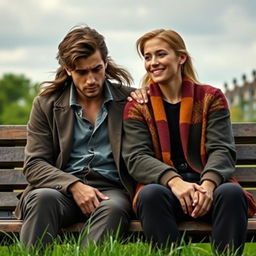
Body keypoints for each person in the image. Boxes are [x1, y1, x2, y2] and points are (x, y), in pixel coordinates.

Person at [122, 29, 256, 255]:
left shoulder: (210, 97)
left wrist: (208, 185)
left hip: (207, 189)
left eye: (161, 54)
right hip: (165, 191)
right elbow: (137, 158)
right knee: (149, 195)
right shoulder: (138, 106)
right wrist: (174, 181)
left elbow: (221, 149)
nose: (153, 62)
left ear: (181, 57)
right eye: (147, 57)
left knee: (232, 194)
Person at [15, 25, 143, 248]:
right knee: (42, 199)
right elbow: (35, 164)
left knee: (112, 208)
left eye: (97, 69)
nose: (91, 80)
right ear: (67, 69)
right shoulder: (46, 104)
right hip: (59, 191)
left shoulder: (130, 100)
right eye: (82, 72)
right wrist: (74, 185)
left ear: (106, 62)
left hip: (110, 192)